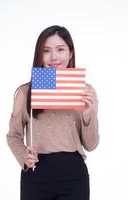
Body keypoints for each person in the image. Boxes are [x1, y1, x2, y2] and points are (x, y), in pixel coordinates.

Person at [6, 25, 99, 200]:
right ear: (39, 55)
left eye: (60, 49)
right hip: (36, 174)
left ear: (70, 53)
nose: (54, 57)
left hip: (74, 175)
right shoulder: (25, 92)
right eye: (46, 50)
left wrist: (88, 116)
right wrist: (24, 156)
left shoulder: (86, 92)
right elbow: (13, 136)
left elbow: (91, 145)